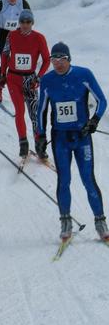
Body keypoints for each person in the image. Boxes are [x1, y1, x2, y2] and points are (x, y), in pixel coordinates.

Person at [37, 42, 109, 241]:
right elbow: (40, 110)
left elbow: (102, 100)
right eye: (54, 60)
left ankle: (100, 221)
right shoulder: (47, 80)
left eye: (62, 60)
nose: (58, 64)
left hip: (82, 136)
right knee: (64, 181)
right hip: (60, 139)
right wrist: (40, 136)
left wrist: (94, 121)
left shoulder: (83, 74)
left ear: (69, 60)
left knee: (88, 180)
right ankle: (65, 220)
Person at [0, 9, 50, 157]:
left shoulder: (39, 38)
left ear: (32, 23)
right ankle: (23, 143)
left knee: (34, 114)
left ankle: (39, 145)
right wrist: (3, 73)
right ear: (19, 22)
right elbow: (5, 54)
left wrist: (39, 77)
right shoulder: (12, 35)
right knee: (20, 111)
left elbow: (47, 60)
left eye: (28, 22)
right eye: (22, 22)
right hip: (13, 78)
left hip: (30, 80)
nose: (25, 25)